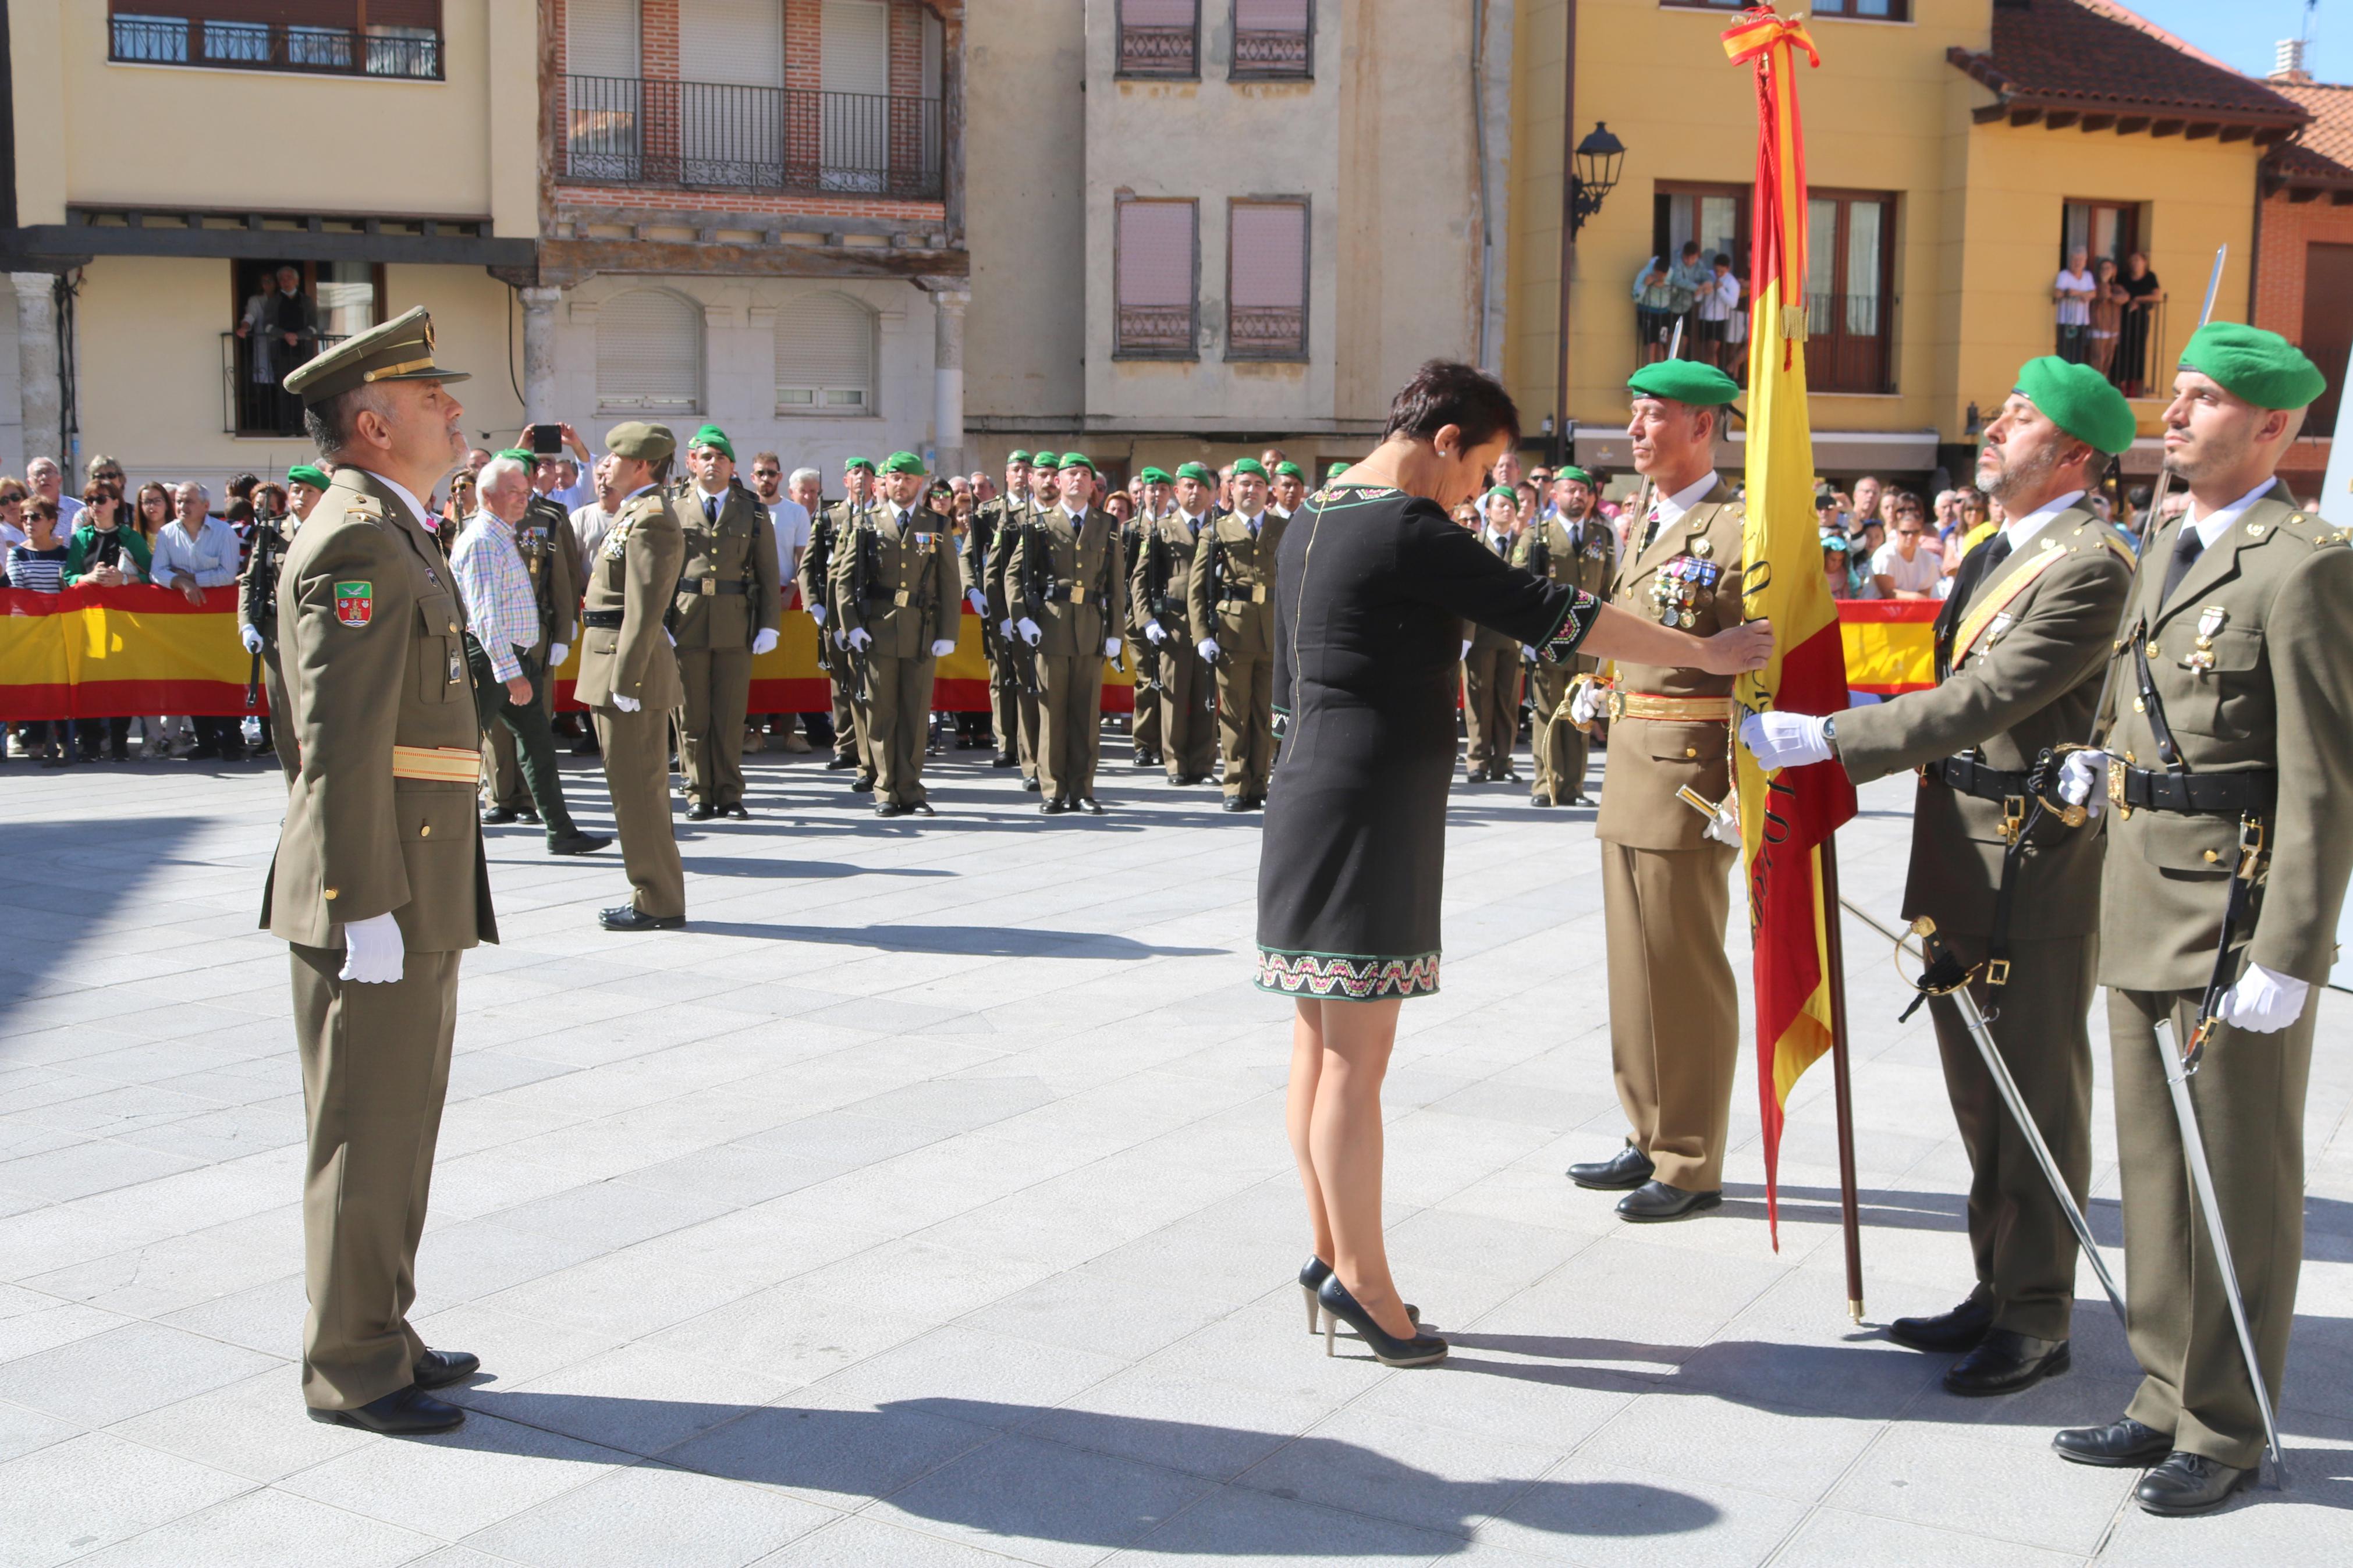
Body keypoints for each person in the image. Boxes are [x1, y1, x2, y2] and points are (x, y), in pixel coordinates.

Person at [1261, 359, 1770, 1365]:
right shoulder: (1408, 526)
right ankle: (1366, 1284)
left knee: (1316, 1050)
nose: (1477, 493)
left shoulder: (1315, 512)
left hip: (1311, 789)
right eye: (1480, 469)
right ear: (1444, 441)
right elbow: (1551, 613)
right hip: (1369, 805)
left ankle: (1330, 1256)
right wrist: (1702, 653)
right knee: (1355, 1067)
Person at [1747, 357, 2138, 1398]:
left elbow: (1989, 696)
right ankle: (1994, 1287)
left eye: (2019, 419)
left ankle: (2039, 1316)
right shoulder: (1995, 549)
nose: (1995, 429)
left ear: (2072, 454)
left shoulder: (2091, 562)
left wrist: (1830, 737)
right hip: (1961, 854)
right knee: (1978, 1098)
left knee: (2034, 1099)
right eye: (2005, 412)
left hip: (2028, 864)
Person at [2052, 324, 2353, 1514]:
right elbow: (2145, 705)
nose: (2169, 418)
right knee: (2154, 1172)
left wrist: (2289, 953)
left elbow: (2323, 779)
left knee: (2232, 1176)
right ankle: (2160, 1392)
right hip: (2137, 897)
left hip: (2231, 917)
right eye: (2171, 396)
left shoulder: (2305, 563)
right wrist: (2091, 761)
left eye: (2203, 401)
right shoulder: (2166, 544)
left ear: (2272, 430)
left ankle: (2223, 1427)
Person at [268, 306, 490, 1435]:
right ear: (370, 424)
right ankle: (350, 1364)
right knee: (365, 1127)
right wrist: (362, 905)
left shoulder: (392, 527)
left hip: (417, 877)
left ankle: (380, 1321)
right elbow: (336, 738)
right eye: (428, 400)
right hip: (380, 886)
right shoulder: (356, 540)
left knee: (398, 1121)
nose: (454, 412)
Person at [1564, 357, 1754, 1222]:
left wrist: (1747, 786)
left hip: (1689, 775)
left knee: (1683, 971)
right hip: (1632, 760)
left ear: (1702, 426)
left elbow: (1764, 663)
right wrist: (1599, 682)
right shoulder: (1644, 518)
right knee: (1634, 969)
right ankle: (1646, 1128)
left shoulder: (1736, 526)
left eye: (1653, 416)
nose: (1634, 431)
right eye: (1633, 414)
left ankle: (1690, 1157)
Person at [452, 456, 610, 859]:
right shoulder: (484, 541)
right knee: (464, 747)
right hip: (491, 660)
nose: (523, 500)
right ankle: (446, 831)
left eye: (525, 492)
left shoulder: (502, 533)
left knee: (538, 745)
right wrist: (512, 675)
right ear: (488, 496)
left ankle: (561, 830)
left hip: (512, 657)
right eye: (513, 493)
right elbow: (485, 617)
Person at [577, 423, 688, 932]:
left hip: (630, 671)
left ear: (642, 465)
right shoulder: (635, 511)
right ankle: (653, 892)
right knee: (632, 789)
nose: (605, 465)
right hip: (612, 660)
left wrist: (625, 681)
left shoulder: (653, 520)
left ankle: (656, 899)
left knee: (639, 791)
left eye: (614, 457)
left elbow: (645, 612)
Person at [832, 453, 959, 817]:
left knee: (916, 713)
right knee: (882, 713)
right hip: (878, 629)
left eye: (907, 478)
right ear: (883, 483)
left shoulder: (937, 523)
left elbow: (949, 581)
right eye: (893, 477)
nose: (900, 484)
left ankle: (912, 788)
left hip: (921, 629)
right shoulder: (866, 522)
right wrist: (851, 625)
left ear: (921, 483)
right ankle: (886, 789)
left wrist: (948, 631)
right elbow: (845, 579)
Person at [673, 425, 783, 820]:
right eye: (705, 456)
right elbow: (659, 573)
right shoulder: (672, 507)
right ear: (691, 462)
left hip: (735, 622)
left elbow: (768, 572)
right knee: (691, 715)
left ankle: (730, 792)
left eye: (721, 457)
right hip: (685, 621)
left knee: (730, 713)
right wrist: (661, 624)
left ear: (732, 465)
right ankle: (697, 791)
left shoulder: (752, 509)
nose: (713, 463)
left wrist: (769, 623)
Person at [1007, 454, 1126, 814]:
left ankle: (1083, 789)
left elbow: (1116, 585)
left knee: (1087, 716)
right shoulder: (1039, 524)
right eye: (1071, 474)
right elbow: (1012, 575)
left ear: (1093, 486)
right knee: (1052, 713)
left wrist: (1116, 632)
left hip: (1090, 628)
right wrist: (1022, 619)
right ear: (1057, 482)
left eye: (1085, 475)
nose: (1077, 480)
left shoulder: (1106, 525)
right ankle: (1053, 789)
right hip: (1051, 627)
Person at [1517, 466, 1616, 807]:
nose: (1578, 497)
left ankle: (1574, 786)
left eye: (1583, 492)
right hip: (1550, 638)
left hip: (1588, 640)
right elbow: (1520, 590)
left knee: (1581, 714)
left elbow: (1607, 590)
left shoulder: (1601, 537)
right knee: (1547, 714)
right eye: (1570, 490)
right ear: (1555, 495)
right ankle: (1546, 786)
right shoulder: (1537, 536)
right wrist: (1526, 639)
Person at [1191, 457, 1284, 811]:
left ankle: (1259, 783)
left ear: (1268, 491)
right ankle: (1234, 785)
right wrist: (1202, 635)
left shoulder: (1283, 529)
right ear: (1232, 489)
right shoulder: (1217, 531)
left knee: (1266, 713)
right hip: (1232, 633)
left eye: (1259, 485)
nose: (1251, 491)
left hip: (1272, 634)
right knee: (1234, 714)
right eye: (1244, 484)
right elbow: (1197, 589)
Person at [238, 464, 327, 785]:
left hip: (319, 632)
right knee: (282, 715)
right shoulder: (272, 532)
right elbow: (251, 581)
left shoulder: (331, 529)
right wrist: (248, 623)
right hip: (278, 632)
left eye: (309, 491)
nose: (300, 497)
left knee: (318, 716)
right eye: (296, 490)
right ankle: (295, 796)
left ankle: (319, 791)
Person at [148, 482, 247, 763]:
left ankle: (231, 740)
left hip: (218, 621)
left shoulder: (223, 532)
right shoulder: (167, 533)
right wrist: (179, 581)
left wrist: (190, 580)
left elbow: (227, 575)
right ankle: (205, 741)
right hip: (185, 623)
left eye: (189, 501)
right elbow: (157, 573)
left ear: (205, 505)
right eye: (179, 501)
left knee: (223, 679)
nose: (183, 506)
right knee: (192, 680)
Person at [1133, 461, 1218, 787]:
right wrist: (1148, 620)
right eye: (1188, 486)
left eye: (1201, 486)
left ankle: (1203, 765)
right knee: (1174, 696)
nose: (1194, 492)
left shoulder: (1219, 527)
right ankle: (1175, 765)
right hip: (1175, 622)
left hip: (1209, 623)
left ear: (1211, 494)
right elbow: (1139, 580)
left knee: (1205, 696)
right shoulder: (1160, 529)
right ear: (1177, 492)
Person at [804, 459, 876, 777]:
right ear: (845, 480)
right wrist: (815, 605)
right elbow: (810, 565)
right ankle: (845, 745)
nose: (862, 479)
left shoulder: (880, 517)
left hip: (872, 613)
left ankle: (869, 749)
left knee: (869, 681)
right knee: (841, 681)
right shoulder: (829, 517)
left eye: (868, 474)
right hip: (835, 613)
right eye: (856, 474)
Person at [994, 456, 1061, 793]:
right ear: (1032, 480)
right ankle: (1032, 764)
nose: (1049, 481)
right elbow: (997, 572)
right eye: (1043, 475)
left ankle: (1057, 765)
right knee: (1030, 692)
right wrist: (1007, 617)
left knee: (1056, 695)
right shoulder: (1013, 518)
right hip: (1025, 616)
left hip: (1060, 619)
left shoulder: (1067, 517)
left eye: (1054, 475)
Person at [966, 452, 1032, 770]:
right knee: (1002, 677)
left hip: (1033, 604)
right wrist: (973, 590)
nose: (1022, 475)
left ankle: (1031, 741)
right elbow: (968, 557)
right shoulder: (989, 513)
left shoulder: (1044, 510)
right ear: (1006, 475)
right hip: (999, 603)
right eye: (1016, 470)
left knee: (1033, 677)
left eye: (1027, 469)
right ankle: (1007, 743)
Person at [1462, 487, 1525, 783]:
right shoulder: (1474, 544)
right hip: (1481, 633)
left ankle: (1503, 760)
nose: (1507, 510)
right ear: (1487, 511)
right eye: (1501, 505)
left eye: (1511, 506)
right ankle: (1477, 760)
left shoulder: (1525, 544)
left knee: (1507, 699)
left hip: (1513, 635)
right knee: (1479, 698)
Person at [6, 500, 74, 766]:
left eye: (35, 517)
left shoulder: (65, 553)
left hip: (60, 632)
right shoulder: (18, 554)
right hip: (31, 633)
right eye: (24, 518)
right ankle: (35, 736)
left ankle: (64, 737)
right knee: (34, 685)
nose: (28, 523)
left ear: (51, 521)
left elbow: (68, 591)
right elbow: (19, 593)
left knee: (60, 685)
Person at [1124, 467, 1174, 770]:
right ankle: (1144, 743)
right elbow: (1126, 574)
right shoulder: (1131, 529)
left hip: (1169, 612)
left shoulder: (1175, 526)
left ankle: (1166, 742)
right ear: (1141, 493)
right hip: (1139, 614)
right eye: (1151, 490)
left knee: (1168, 680)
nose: (1156, 495)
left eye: (1163, 490)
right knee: (1146, 680)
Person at [236, 265, 320, 434]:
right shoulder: (274, 302)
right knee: (284, 390)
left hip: (303, 352)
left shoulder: (306, 301)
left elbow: (314, 327)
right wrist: (286, 336)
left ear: (297, 281)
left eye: (289, 278)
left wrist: (298, 336)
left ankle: (302, 428)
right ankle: (285, 428)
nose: (285, 282)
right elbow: (268, 326)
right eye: (282, 279)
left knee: (302, 390)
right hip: (280, 352)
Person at [1869, 493, 1944, 599]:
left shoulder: (1927, 559)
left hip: (1911, 613)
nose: (1910, 536)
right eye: (1905, 532)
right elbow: (1889, 593)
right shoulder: (1885, 555)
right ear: (1898, 532)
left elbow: (1926, 593)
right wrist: (1917, 598)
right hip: (1876, 613)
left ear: (1921, 532)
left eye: (1915, 532)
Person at [2111, 251, 2165, 397]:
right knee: (2123, 349)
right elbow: (2115, 290)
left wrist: (2136, 299)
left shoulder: (2150, 278)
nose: (2134, 263)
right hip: (2123, 319)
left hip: (2141, 320)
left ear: (2144, 263)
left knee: (2138, 350)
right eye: (2132, 260)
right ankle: (2121, 383)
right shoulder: (2123, 277)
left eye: (2137, 260)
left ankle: (2133, 385)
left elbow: (2156, 296)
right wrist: (2127, 297)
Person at [2053, 247, 2097, 363]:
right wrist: (2071, 294)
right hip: (2065, 321)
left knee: (2079, 354)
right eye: (2075, 259)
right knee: (2064, 353)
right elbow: (2058, 292)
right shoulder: (2064, 275)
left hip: (2082, 321)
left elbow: (2093, 294)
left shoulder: (2088, 276)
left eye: (2080, 260)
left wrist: (2076, 293)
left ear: (2085, 262)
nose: (2077, 262)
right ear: (2070, 261)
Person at [2086, 256, 2124, 379]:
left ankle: (2103, 385)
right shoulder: (2095, 286)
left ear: (2114, 271)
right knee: (2097, 360)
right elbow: (2103, 296)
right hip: (2098, 328)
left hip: (2112, 330)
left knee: (2108, 362)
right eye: (2103, 268)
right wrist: (2104, 283)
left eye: (2109, 268)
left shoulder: (2117, 288)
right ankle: (2095, 384)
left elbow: (2124, 298)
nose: (2106, 271)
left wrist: (2111, 295)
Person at [27, 457, 84, 534]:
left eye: (49, 472)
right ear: (29, 483)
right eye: (39, 473)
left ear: (59, 480)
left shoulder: (79, 509)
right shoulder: (24, 513)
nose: (44, 477)